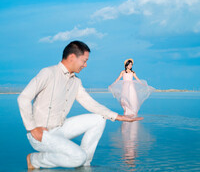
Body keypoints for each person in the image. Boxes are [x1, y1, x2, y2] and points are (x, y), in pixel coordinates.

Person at [17, 41, 142, 169]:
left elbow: (90, 103)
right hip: (41, 134)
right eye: (84, 60)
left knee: (99, 119)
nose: (86, 65)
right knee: (78, 156)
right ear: (72, 57)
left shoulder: (76, 81)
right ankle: (35, 160)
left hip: (60, 129)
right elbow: (23, 98)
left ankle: (84, 163)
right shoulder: (48, 73)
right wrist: (32, 128)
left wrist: (117, 116)